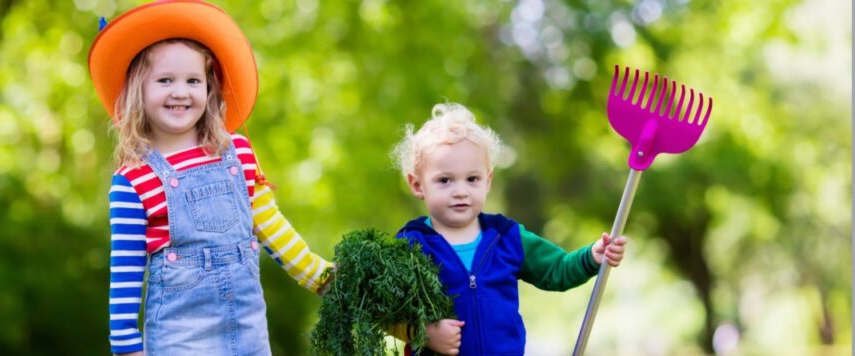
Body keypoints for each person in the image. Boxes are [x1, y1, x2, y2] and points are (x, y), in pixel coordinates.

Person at [88, 1, 331, 354]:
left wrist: (321, 277)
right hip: (180, 341)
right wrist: (126, 345)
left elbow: (270, 226)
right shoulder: (133, 181)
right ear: (138, 90)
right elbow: (126, 270)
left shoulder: (239, 153)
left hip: (249, 335)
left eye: (193, 80)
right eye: (165, 80)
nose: (180, 91)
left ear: (210, 88)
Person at [388, 103, 628, 355]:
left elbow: (558, 269)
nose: (460, 191)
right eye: (445, 180)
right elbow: (382, 310)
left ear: (488, 180)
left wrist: (592, 256)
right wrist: (421, 333)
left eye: (472, 179)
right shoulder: (410, 245)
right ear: (417, 185)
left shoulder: (507, 237)